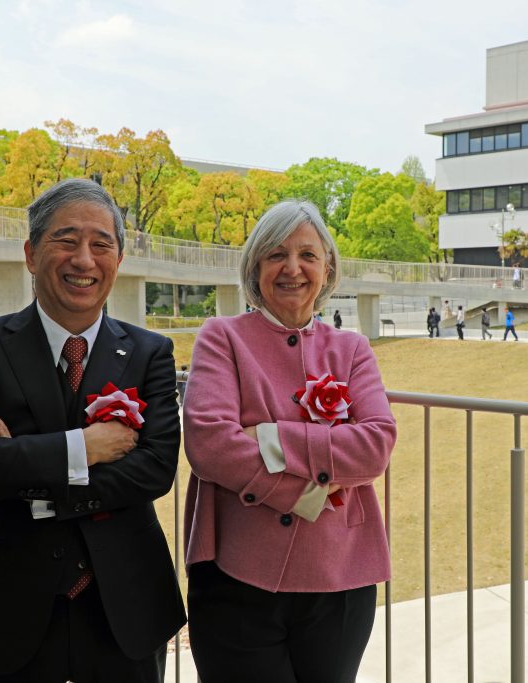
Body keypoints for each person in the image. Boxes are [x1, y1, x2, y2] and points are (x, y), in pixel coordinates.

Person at [0, 179, 186, 682]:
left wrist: (17, 460)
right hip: (2, 602)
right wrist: (82, 448)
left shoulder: (151, 353)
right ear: (31, 254)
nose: (84, 259)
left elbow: (154, 471)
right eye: (66, 240)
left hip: (122, 603)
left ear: (119, 259)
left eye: (101, 244)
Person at [182, 199, 397, 683]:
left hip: (339, 574)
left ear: (328, 269)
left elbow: (376, 445)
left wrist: (270, 436)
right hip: (236, 572)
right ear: (255, 266)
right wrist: (306, 493)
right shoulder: (222, 337)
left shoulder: (352, 349)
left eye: (308, 255)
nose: (292, 268)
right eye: (276, 254)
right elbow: (210, 444)